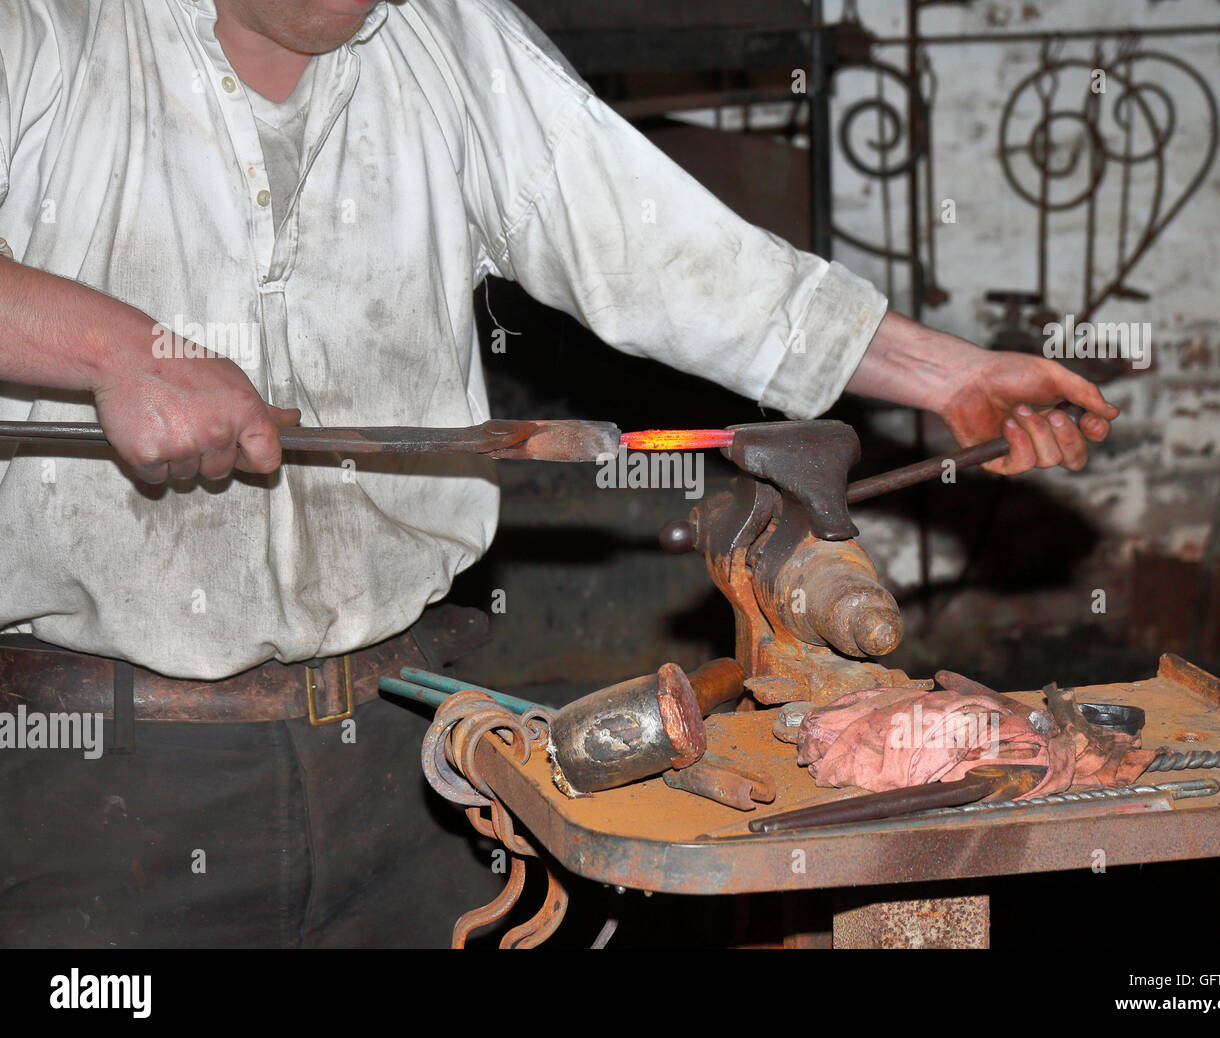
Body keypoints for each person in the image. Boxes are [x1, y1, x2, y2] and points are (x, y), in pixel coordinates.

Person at [0, 0, 1117, 947]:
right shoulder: (44, 34)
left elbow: (672, 252)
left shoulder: (450, 40)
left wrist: (948, 375)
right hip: (95, 790)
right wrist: (115, 349)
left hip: (409, 756)